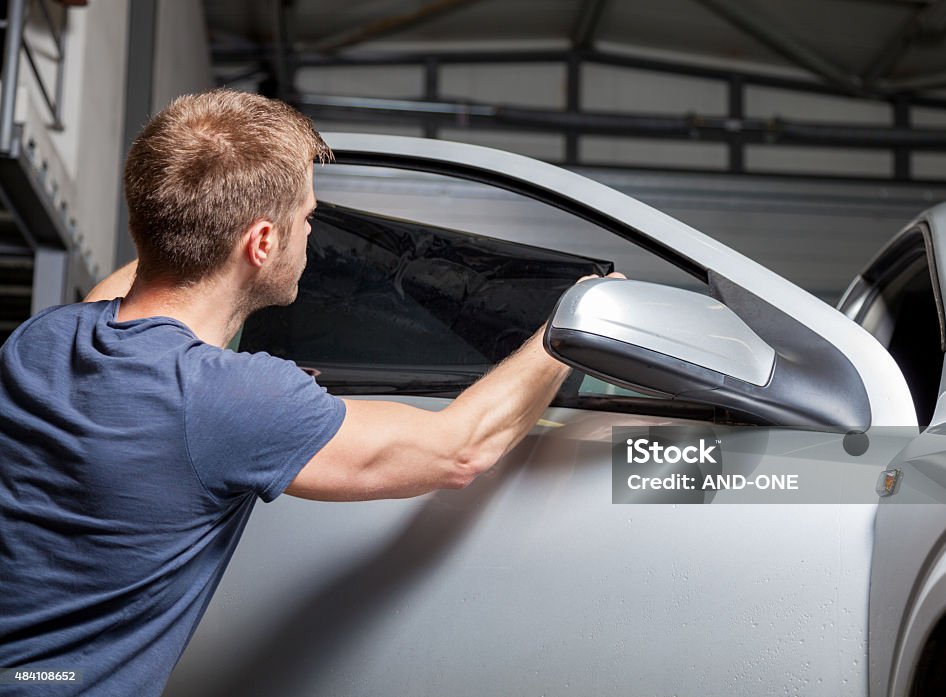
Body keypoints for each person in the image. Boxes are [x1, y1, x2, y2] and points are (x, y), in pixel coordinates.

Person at [0, 89, 619, 696]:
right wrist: (578, 319)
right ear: (263, 242)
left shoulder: (42, 341)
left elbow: (154, 269)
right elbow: (458, 450)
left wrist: (206, 196)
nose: (312, 236)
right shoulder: (232, 398)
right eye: (309, 219)